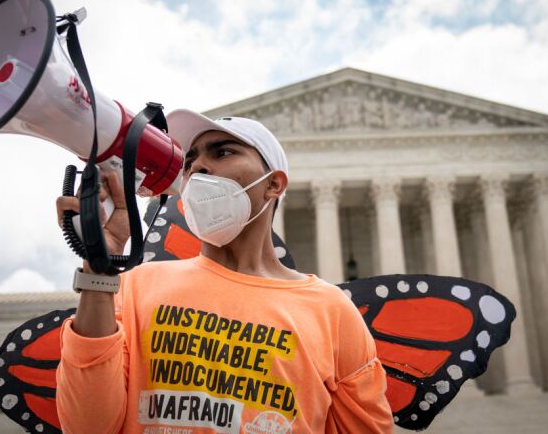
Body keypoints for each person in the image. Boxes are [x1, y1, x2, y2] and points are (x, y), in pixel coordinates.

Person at [55, 109, 394, 433]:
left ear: (273, 184)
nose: (199, 166)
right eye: (190, 162)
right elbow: (88, 426)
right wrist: (100, 263)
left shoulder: (332, 311)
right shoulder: (133, 286)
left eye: (223, 152)